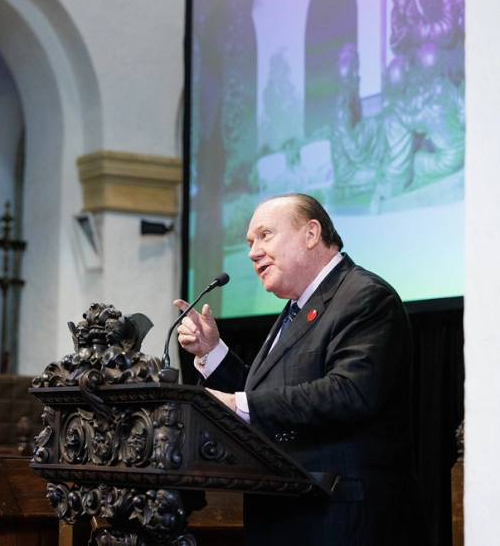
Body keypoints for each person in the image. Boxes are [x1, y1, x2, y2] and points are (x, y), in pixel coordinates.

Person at [175, 193, 413, 546]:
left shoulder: (365, 297)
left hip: (338, 516)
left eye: (265, 235)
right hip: (286, 513)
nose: (253, 252)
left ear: (311, 233)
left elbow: (350, 392)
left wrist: (237, 405)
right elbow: (266, 400)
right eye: (250, 243)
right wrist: (213, 353)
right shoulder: (294, 310)